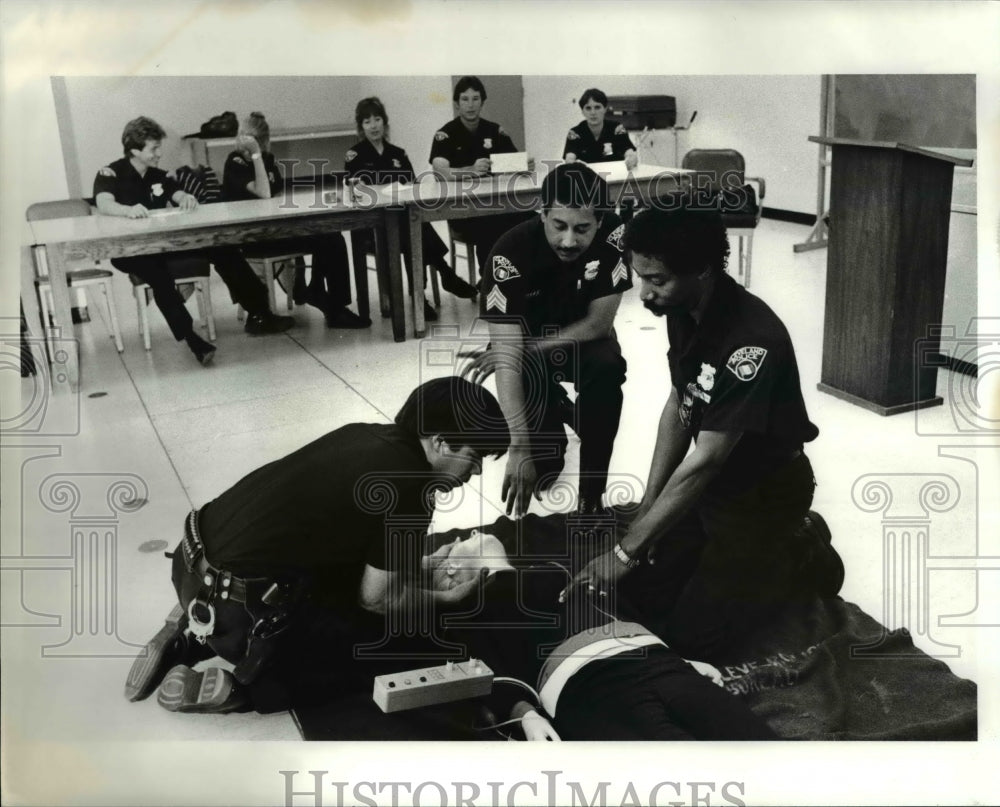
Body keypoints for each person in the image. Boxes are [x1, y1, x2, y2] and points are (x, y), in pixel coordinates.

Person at [123, 376, 511, 714]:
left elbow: (344, 541)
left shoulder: (362, 433)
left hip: (191, 562)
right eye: (474, 457)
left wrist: (418, 566)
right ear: (441, 442)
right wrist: (448, 600)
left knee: (332, 574)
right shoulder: (413, 488)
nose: (475, 472)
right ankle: (245, 688)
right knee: (386, 645)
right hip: (245, 611)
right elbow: (378, 600)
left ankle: (192, 638)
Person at [563, 204, 843, 664]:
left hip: (762, 495)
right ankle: (750, 555)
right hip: (711, 488)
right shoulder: (684, 305)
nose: (645, 294)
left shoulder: (752, 341)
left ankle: (798, 552)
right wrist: (647, 509)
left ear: (703, 272)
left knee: (696, 641)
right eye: (640, 277)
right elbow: (680, 403)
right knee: (643, 598)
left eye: (657, 280)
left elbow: (707, 459)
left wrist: (625, 551)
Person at [425, 538, 777, 741]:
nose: (464, 534)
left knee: (765, 753)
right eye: (451, 546)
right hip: (587, 691)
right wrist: (526, 716)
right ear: (449, 574)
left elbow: (628, 609)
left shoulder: (564, 565)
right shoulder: (470, 610)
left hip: (657, 662)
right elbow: (486, 673)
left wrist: (680, 658)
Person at [464, 162, 630, 517]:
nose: (569, 241)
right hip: (524, 353)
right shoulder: (509, 253)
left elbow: (599, 325)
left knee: (608, 366)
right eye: (559, 226)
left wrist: (520, 349)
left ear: (600, 221)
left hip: (580, 338)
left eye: (582, 228)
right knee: (544, 473)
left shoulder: (615, 234)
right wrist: (519, 446)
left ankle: (591, 500)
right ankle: (554, 404)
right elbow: (507, 358)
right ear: (542, 214)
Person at [93, 116, 294, 366]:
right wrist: (127, 210)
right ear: (134, 150)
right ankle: (191, 338)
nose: (159, 153)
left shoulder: (157, 175)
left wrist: (186, 197)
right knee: (158, 274)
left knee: (221, 248)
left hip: (160, 245)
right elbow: (104, 203)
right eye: (154, 148)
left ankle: (260, 313)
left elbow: (175, 192)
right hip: (130, 251)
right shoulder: (110, 173)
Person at [222, 112, 369, 329]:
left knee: (331, 236)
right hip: (252, 237)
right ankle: (321, 297)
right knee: (326, 238)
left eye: (253, 141)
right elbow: (263, 192)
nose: (246, 145)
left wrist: (260, 158)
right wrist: (255, 156)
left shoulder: (268, 160)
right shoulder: (235, 162)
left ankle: (330, 302)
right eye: (244, 139)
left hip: (274, 231)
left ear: (263, 141)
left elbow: (276, 193)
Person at [344, 97, 478, 323]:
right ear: (361, 127)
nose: (374, 126)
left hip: (401, 220)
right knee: (413, 228)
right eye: (367, 122)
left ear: (385, 123)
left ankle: (420, 295)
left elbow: (413, 187)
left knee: (412, 226)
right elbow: (354, 190)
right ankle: (441, 277)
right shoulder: (355, 155)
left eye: (377, 119)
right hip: (374, 227)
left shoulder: (398, 153)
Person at [429, 76, 535, 273]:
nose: (470, 105)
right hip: (463, 211)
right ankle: (490, 278)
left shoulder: (494, 130)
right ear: (457, 103)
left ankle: (525, 277)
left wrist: (524, 164)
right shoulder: (446, 134)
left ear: (482, 102)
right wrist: (470, 170)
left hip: (498, 205)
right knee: (492, 222)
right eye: (465, 99)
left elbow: (514, 161)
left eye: (475, 99)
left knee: (534, 219)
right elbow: (439, 171)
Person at [562, 88, 638, 169]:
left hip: (615, 176)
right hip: (587, 178)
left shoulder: (617, 128)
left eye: (597, 107)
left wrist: (631, 159)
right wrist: (573, 164)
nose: (593, 113)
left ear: (605, 109)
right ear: (582, 111)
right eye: (588, 108)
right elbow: (569, 157)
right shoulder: (575, 133)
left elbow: (629, 152)